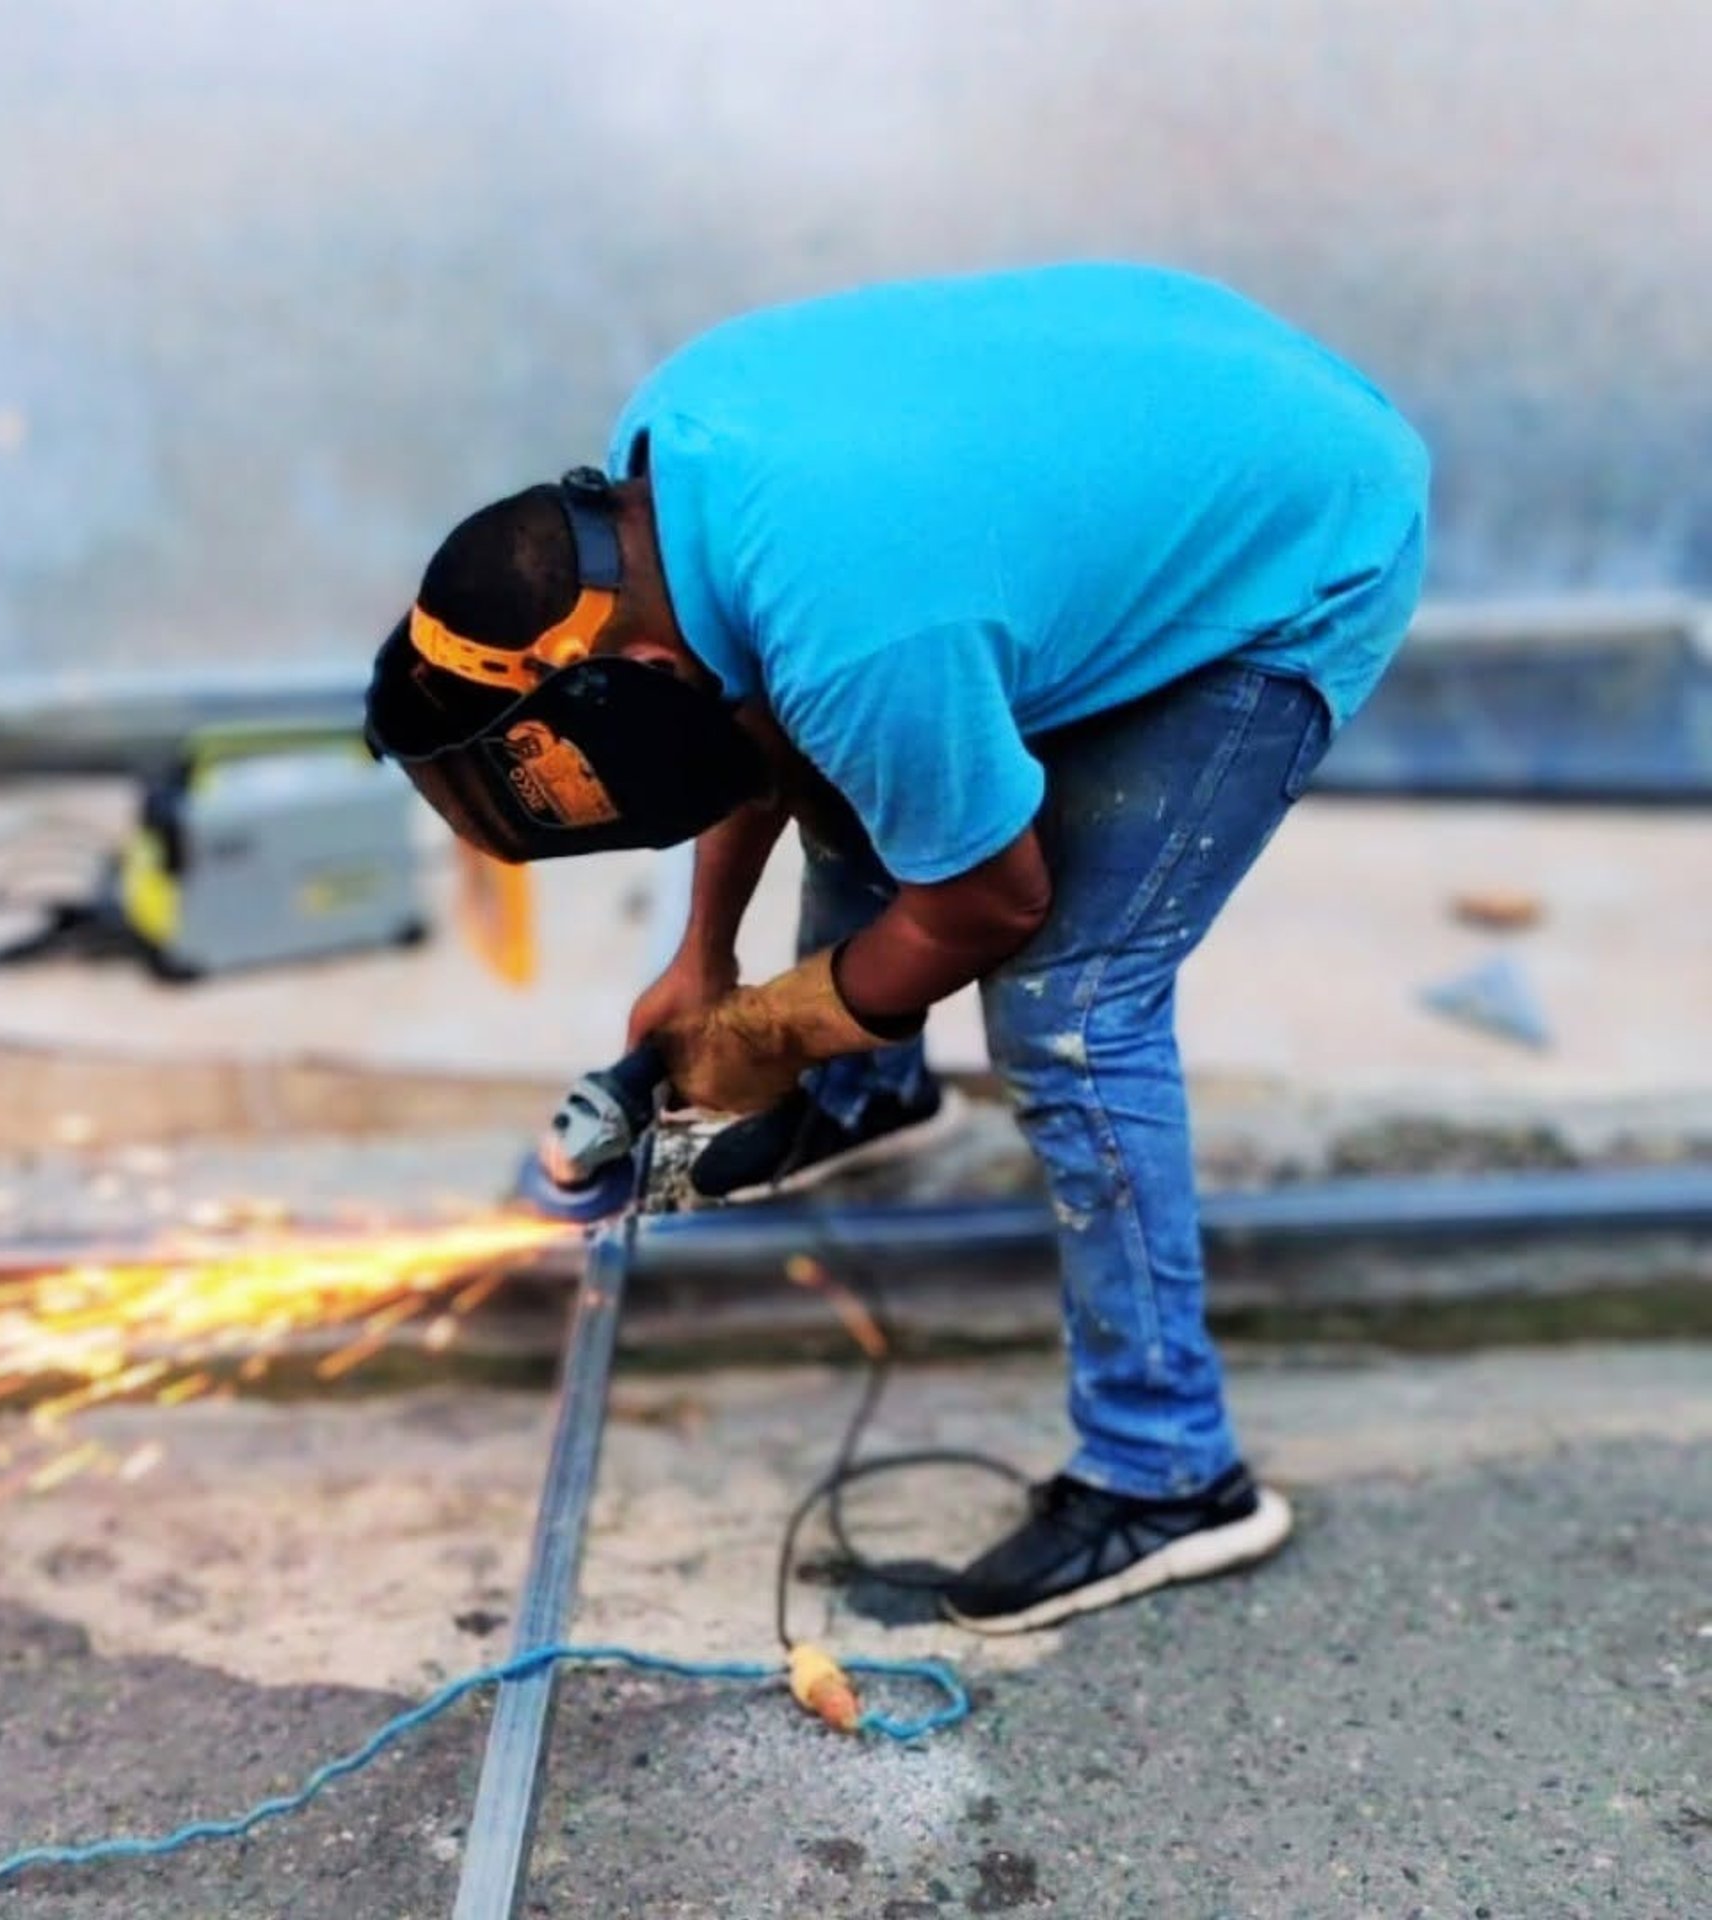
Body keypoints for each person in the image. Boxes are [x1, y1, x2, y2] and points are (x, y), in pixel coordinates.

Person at [364, 262, 1428, 1632]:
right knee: (872, 759)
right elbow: (743, 722)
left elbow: (991, 902)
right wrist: (705, 960)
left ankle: (1171, 1475)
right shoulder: (659, 465)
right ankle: (869, 1094)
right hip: (1178, 401)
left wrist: (763, 1033)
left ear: (616, 669)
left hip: (1306, 526)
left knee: (1071, 1009)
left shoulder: (864, 638)